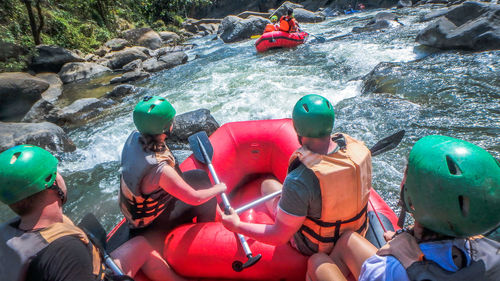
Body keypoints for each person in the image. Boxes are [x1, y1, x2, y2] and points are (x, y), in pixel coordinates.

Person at [306, 135, 500, 281]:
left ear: (412, 198)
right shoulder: (491, 251)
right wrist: (407, 240)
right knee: (347, 241)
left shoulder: (385, 269)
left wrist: (396, 252)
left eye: (406, 175)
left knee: (317, 262)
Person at [0, 144, 185, 281]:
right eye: (56, 171)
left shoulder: (13, 231)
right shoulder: (66, 251)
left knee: (141, 246)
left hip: (98, 269)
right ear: (51, 183)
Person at [221, 94, 372, 256]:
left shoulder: (299, 180)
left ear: (297, 129)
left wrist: (236, 225)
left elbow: (278, 236)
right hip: (356, 233)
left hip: (315, 245)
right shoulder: (358, 151)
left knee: (267, 184)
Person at [119, 95, 226, 247]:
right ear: (166, 128)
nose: (174, 123)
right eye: (172, 120)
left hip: (142, 209)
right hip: (152, 225)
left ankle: (218, 217)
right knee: (206, 198)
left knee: (199, 176)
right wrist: (219, 188)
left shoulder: (136, 137)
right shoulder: (160, 169)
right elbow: (194, 198)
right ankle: (208, 237)